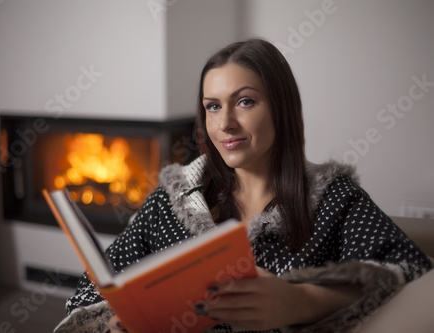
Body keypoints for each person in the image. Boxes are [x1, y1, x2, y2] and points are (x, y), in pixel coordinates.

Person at [54, 38, 432, 333]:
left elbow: (409, 269)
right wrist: (114, 324)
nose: (225, 124)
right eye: (213, 106)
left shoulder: (333, 199)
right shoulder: (172, 201)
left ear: (281, 108)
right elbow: (93, 290)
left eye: (245, 102)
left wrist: (299, 301)